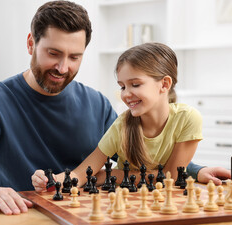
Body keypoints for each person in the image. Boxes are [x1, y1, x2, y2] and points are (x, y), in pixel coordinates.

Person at [0, 1, 230, 215]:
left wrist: (193, 170)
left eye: (74, 57)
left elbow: (135, 154)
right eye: (53, 53)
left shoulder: (96, 102)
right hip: (24, 219)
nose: (63, 67)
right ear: (31, 44)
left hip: (88, 217)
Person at [33, 42, 202, 190]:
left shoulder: (187, 119)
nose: (126, 94)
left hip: (166, 206)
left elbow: (169, 177)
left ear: (164, 84)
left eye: (135, 84)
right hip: (125, 203)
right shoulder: (122, 126)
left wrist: (110, 175)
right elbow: (81, 173)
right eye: (122, 87)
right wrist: (52, 179)